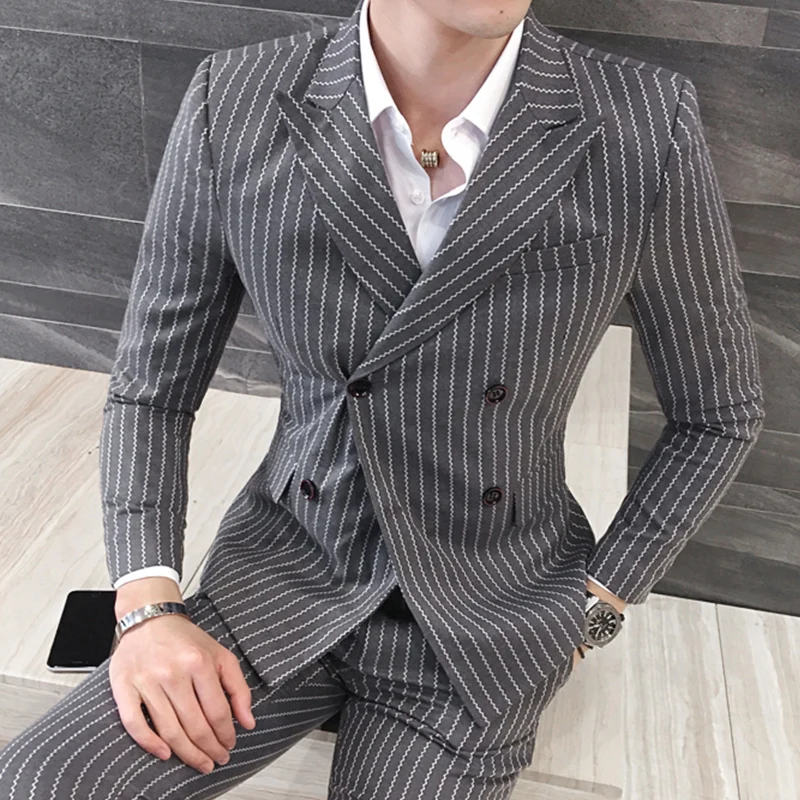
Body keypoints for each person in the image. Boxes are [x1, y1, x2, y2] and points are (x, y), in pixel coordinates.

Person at [0, 0, 765, 797]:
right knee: (37, 784)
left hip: (487, 609)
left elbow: (718, 414)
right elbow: (152, 388)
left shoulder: (642, 119)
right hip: (286, 570)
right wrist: (148, 603)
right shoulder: (236, 99)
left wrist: (596, 606)